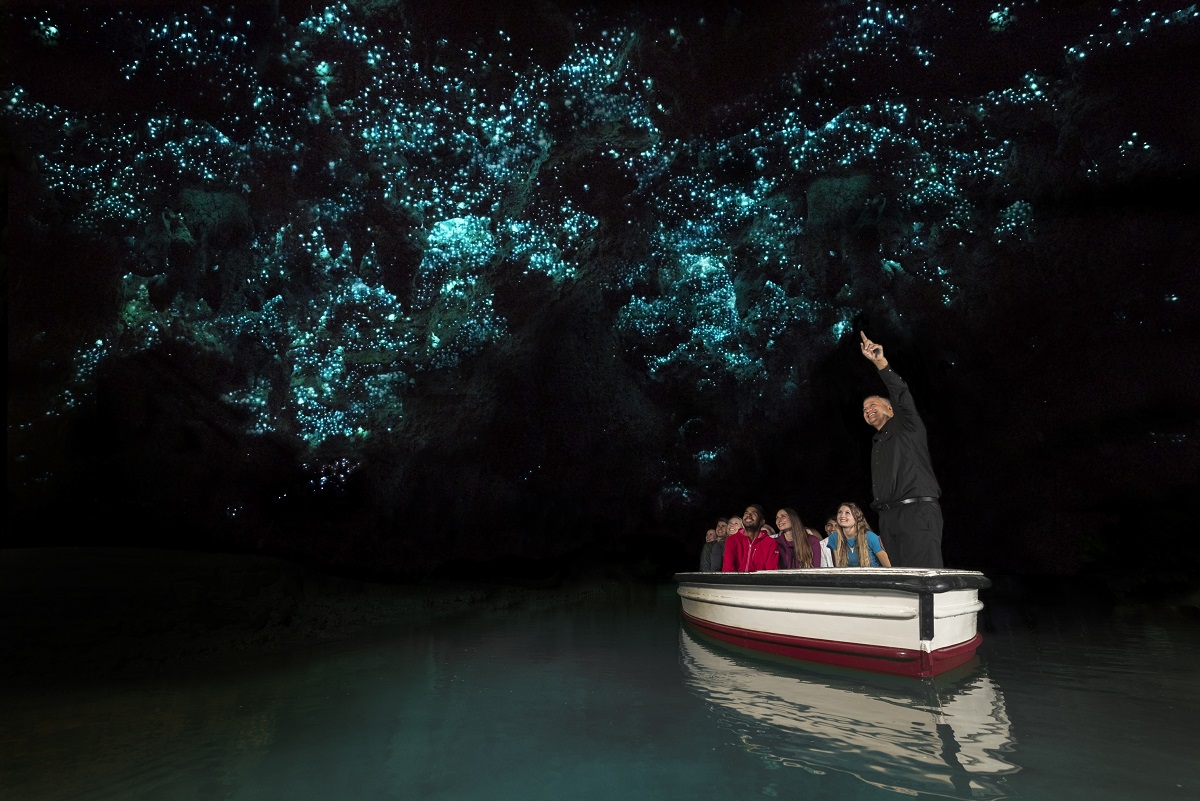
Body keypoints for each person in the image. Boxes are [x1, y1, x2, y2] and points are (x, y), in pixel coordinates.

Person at [859, 331, 944, 567]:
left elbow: (901, 394)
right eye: (864, 409)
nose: (867, 410)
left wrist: (880, 363)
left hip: (916, 512)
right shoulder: (877, 443)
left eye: (873, 404)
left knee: (922, 580)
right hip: (889, 518)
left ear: (890, 409)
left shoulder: (907, 424)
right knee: (901, 582)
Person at [828, 502, 892, 567]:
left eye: (847, 513)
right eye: (840, 512)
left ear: (857, 517)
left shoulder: (870, 537)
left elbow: (888, 567)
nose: (842, 515)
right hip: (849, 576)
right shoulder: (834, 538)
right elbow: (838, 568)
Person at [722, 505, 779, 572]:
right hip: (736, 582)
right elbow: (727, 569)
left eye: (754, 513)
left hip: (759, 582)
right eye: (746, 513)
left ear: (762, 522)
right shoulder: (732, 540)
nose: (748, 515)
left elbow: (771, 572)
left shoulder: (770, 543)